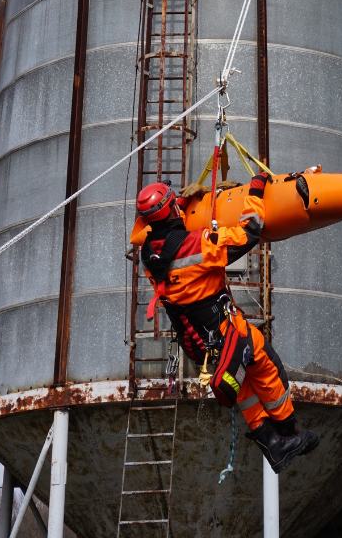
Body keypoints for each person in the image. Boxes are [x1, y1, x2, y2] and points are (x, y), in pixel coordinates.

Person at [136, 174, 319, 473]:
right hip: (225, 332)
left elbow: (161, 230)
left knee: (243, 388)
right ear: (170, 210)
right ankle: (288, 433)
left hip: (196, 343)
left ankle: (272, 444)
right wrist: (256, 191)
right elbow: (249, 231)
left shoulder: (148, 254)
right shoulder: (196, 244)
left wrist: (179, 203)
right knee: (266, 365)